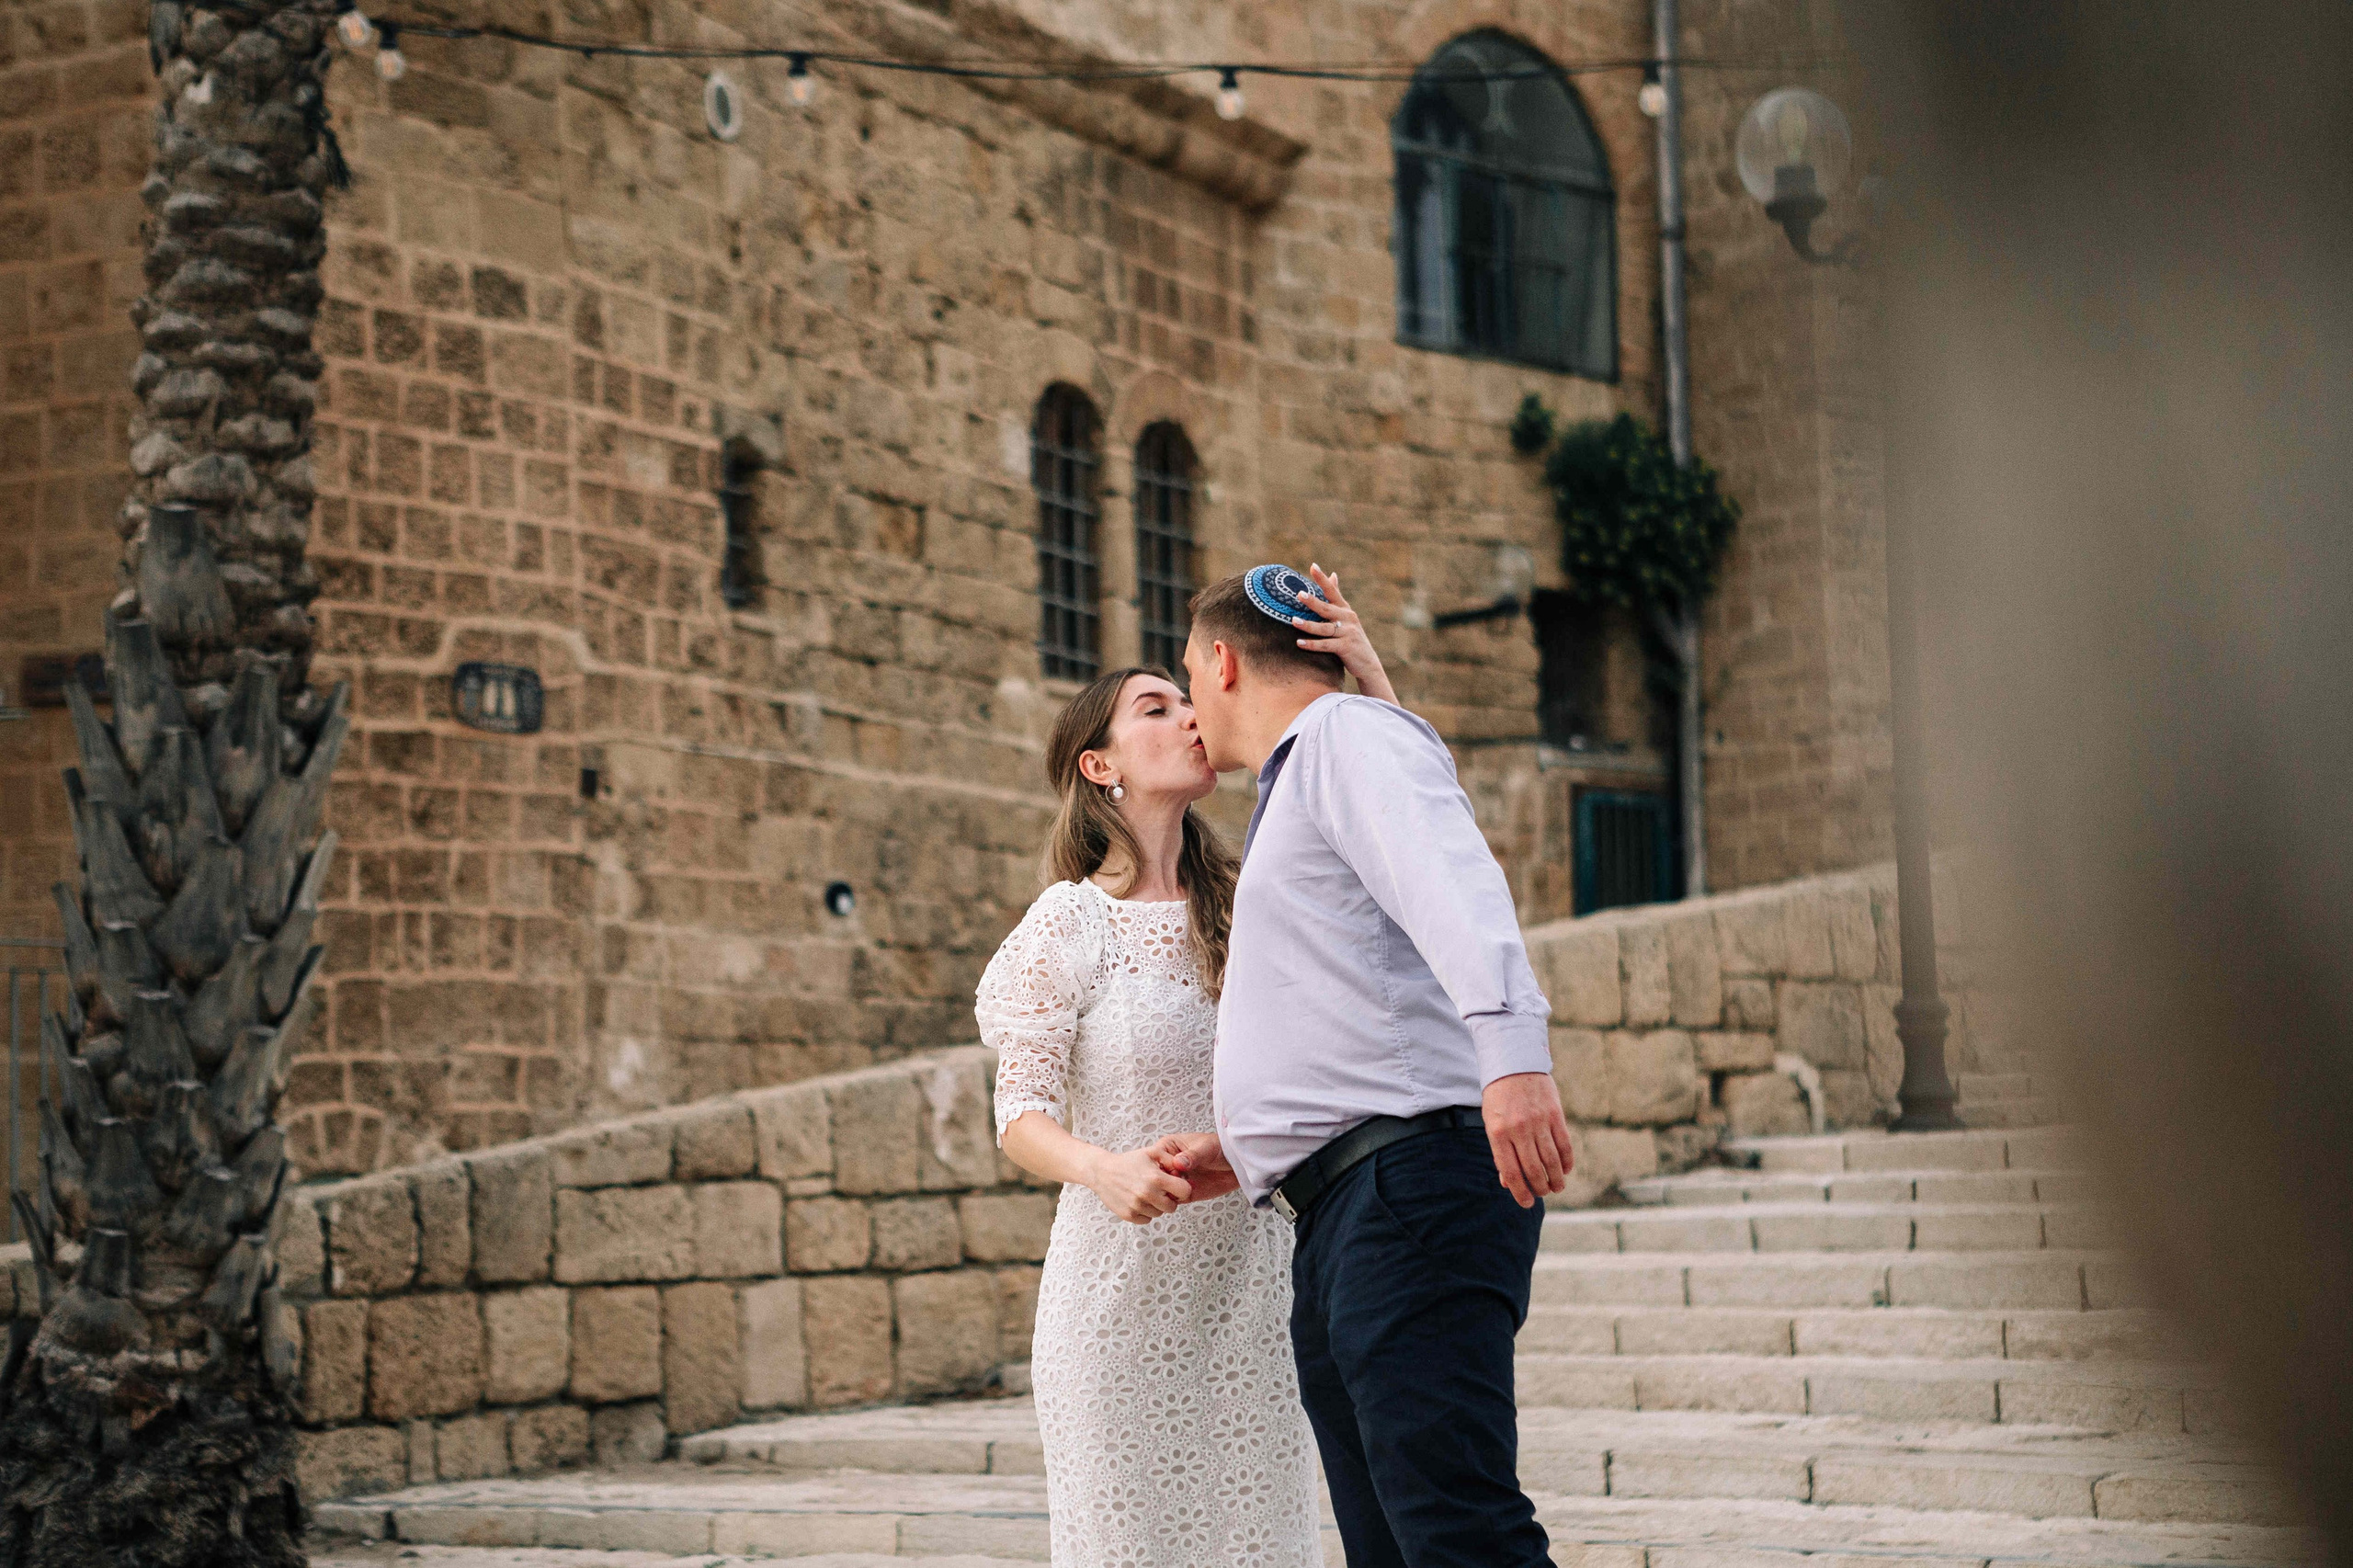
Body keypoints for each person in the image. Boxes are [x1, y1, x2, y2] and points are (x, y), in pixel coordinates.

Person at [974, 568, 1398, 1568]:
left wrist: (1367, 676)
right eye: (1154, 707)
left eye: (1186, 696)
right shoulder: (1067, 921)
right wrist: (1104, 1168)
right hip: (1113, 1303)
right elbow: (1018, 1112)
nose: (1187, 716)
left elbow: (1398, 831)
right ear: (1100, 764)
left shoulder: (1256, 897)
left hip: (1255, 1288)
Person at [1156, 564, 1573, 1568]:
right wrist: (1254, 1145)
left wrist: (1513, 1056)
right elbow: (1357, 978)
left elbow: (1449, 876)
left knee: (1455, 1530)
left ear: (1218, 660)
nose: (1187, 708)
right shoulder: (1317, 765)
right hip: (1349, 1199)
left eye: (1183, 676)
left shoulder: (1343, 737)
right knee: (1394, 1544)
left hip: (1405, 1191)